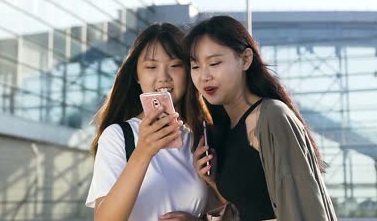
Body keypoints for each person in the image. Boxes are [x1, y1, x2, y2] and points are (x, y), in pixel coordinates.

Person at [184, 15, 338, 220]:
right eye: (195, 67)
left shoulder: (272, 116)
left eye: (215, 63)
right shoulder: (222, 130)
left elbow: (304, 205)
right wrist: (212, 181)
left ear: (246, 59)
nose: (204, 76)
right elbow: (248, 207)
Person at [85, 23, 209, 221]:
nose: (163, 77)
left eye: (175, 65)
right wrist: (143, 151)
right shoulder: (118, 136)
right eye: (151, 67)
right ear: (136, 75)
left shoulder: (200, 137)